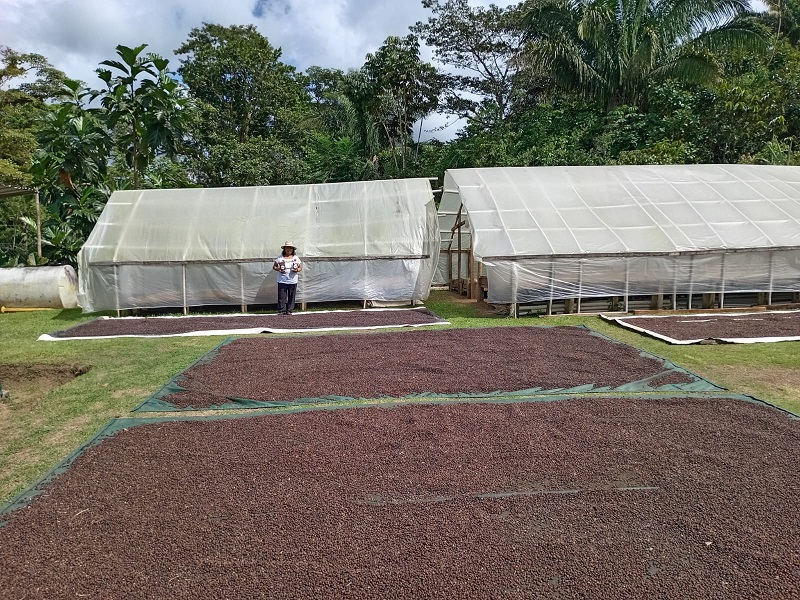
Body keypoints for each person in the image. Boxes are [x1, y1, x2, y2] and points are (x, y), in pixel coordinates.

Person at [273, 241, 302, 314]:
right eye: (287, 248)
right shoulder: (280, 258)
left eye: (290, 248)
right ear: (284, 249)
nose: (289, 250)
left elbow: (300, 267)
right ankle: (282, 310)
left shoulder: (296, 258)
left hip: (293, 280)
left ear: (293, 250)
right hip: (282, 280)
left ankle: (289, 310)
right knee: (282, 296)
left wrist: (296, 270)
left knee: (291, 296)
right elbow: (274, 266)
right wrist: (279, 269)